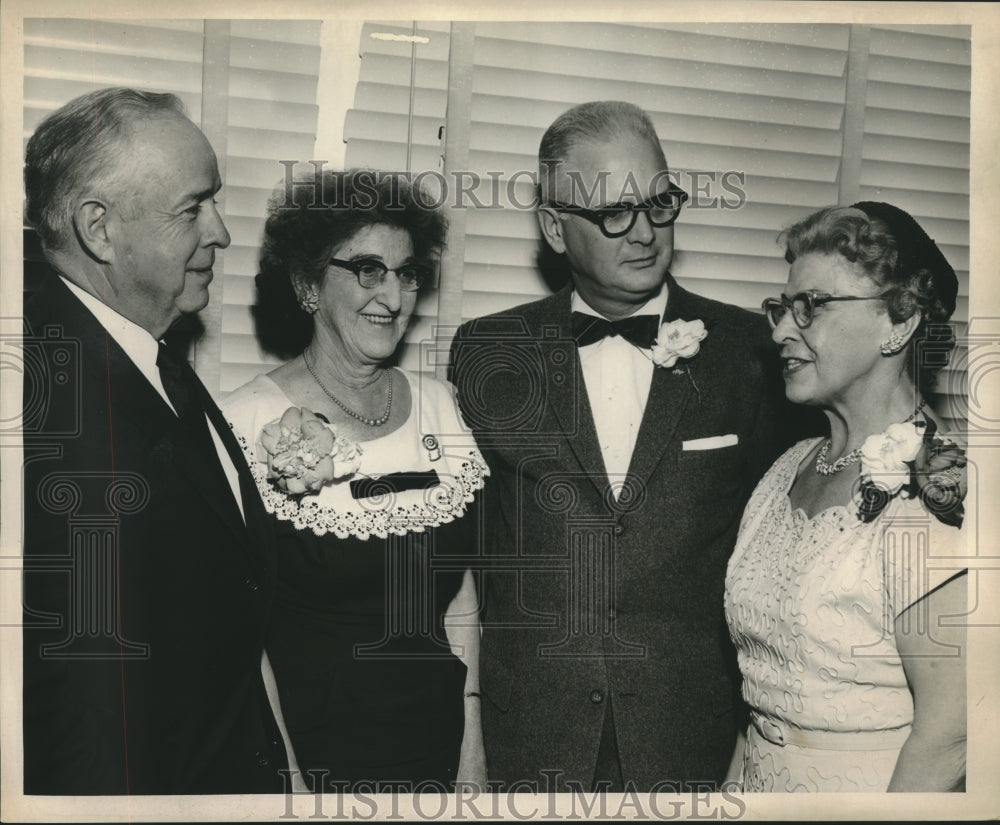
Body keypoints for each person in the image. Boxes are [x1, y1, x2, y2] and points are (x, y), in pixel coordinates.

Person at [449, 100, 817, 791]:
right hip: (531, 736)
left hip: (696, 741)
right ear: (555, 229)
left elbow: (822, 502)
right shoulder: (489, 352)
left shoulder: (752, 354)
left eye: (660, 202)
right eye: (614, 212)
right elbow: (457, 556)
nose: (646, 232)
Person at [21, 88, 289, 794]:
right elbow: (71, 708)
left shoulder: (153, 356)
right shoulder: (41, 406)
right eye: (193, 207)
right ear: (98, 229)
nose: (224, 233)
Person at [220, 168, 488, 793]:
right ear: (308, 284)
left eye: (407, 272)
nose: (393, 298)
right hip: (313, 761)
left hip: (438, 755)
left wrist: (473, 758)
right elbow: (242, 643)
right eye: (368, 270)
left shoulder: (441, 406)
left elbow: (460, 607)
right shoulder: (242, 422)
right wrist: (291, 785)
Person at [724, 202, 968, 792]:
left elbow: (951, 737)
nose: (782, 328)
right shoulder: (784, 471)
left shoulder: (942, 489)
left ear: (899, 322)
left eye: (812, 305)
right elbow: (759, 702)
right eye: (782, 308)